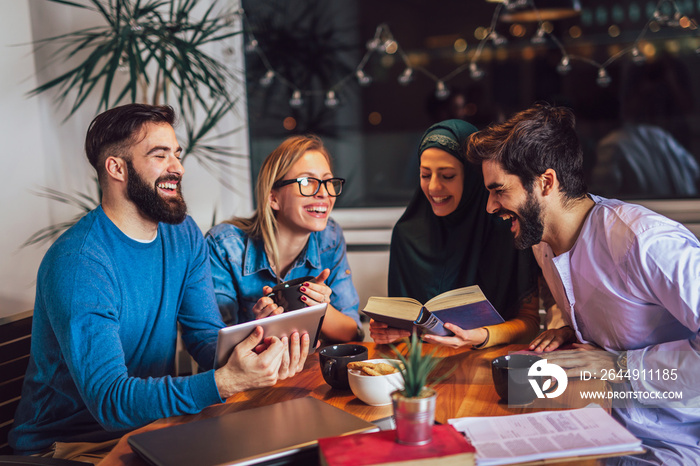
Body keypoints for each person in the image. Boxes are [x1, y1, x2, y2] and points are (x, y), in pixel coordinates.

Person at [9, 104, 310, 462]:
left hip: (150, 428)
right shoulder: (80, 263)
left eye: (177, 154)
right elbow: (109, 402)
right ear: (116, 167)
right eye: (160, 154)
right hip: (71, 447)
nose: (178, 167)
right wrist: (225, 382)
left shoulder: (182, 235)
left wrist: (259, 344)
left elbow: (204, 338)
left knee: (288, 447)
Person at [466, 103, 699, 465]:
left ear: (546, 182)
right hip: (595, 419)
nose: (490, 206)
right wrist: (566, 326)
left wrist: (620, 366)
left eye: (499, 190)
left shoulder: (645, 242)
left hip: (670, 440)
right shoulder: (541, 243)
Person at [370, 119, 541, 349]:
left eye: (447, 176)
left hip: (487, 361)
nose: (433, 187)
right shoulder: (406, 234)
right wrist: (387, 332)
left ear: (473, 177)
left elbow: (530, 323)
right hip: (425, 366)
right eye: (424, 174)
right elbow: (404, 328)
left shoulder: (507, 230)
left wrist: (482, 336)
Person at [206, 135, 362, 343]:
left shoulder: (330, 238)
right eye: (307, 182)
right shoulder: (224, 246)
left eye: (328, 181)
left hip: (306, 371)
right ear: (273, 198)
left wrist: (321, 310)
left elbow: (353, 334)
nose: (324, 193)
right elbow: (212, 345)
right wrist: (260, 327)